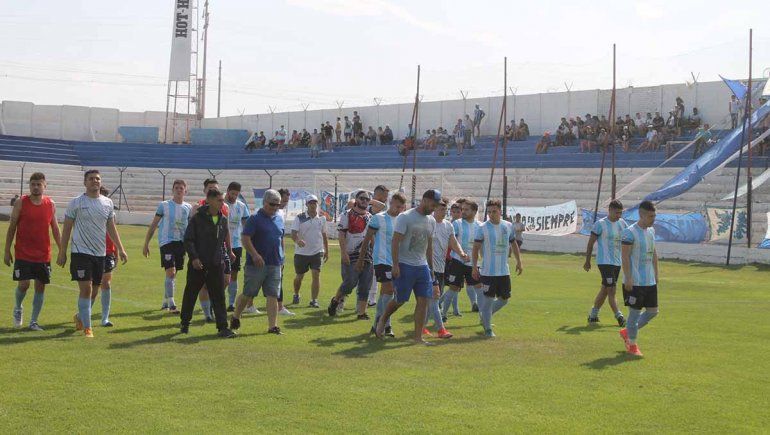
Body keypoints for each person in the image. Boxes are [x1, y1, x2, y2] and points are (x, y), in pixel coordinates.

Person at [57, 170, 127, 338]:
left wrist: (120, 248)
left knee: (95, 291)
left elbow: (111, 228)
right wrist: (62, 252)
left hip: (100, 254)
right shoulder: (76, 203)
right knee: (86, 289)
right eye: (91, 179)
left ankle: (80, 317)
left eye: (97, 179)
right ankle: (88, 328)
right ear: (85, 182)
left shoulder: (107, 203)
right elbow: (67, 228)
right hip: (80, 252)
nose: (95, 181)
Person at [375, 189, 440, 344]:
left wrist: (431, 269)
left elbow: (429, 246)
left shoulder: (431, 221)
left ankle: (418, 338)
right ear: (425, 200)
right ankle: (383, 318)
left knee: (423, 301)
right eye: (433, 205)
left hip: (422, 266)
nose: (434, 209)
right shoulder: (406, 217)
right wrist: (395, 265)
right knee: (400, 300)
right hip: (405, 265)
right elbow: (395, 241)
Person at [4, 172, 61, 331]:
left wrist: (62, 249)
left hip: (43, 254)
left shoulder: (50, 204)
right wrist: (7, 250)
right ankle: (18, 307)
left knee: (40, 287)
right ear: (29, 186)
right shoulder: (20, 203)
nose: (36, 187)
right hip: (23, 252)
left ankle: (33, 321)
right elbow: (12, 227)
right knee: (24, 285)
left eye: (39, 184)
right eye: (33, 184)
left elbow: (55, 229)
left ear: (44, 186)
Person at [179, 189, 236, 338]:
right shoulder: (197, 219)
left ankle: (223, 328)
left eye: (222, 200)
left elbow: (223, 240)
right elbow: (188, 240)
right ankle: (185, 323)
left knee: (219, 296)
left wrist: (228, 253)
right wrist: (194, 258)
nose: (222, 203)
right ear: (209, 200)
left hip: (216, 264)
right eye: (219, 200)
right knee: (191, 294)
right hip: (198, 265)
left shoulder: (223, 219)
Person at [230, 189, 285, 335]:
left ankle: (272, 326)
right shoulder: (254, 219)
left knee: (273, 294)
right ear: (264, 202)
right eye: (272, 204)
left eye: (277, 205)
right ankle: (236, 316)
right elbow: (245, 238)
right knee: (248, 293)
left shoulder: (279, 219)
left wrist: (282, 257)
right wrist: (254, 255)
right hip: (256, 265)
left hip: (275, 263)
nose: (275, 207)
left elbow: (280, 239)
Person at [472, 199, 523, 337]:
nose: (491, 214)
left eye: (494, 211)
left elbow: (513, 244)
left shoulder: (508, 226)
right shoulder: (482, 228)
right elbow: (475, 248)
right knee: (488, 301)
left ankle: (484, 316)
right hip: (488, 272)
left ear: (500, 211)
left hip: (503, 271)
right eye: (489, 212)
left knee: (504, 300)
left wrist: (519, 261)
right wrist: (474, 267)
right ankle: (488, 329)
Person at [143, 179, 192, 314]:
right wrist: (146, 243)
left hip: (181, 243)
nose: (179, 190)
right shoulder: (164, 205)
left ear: (185, 191)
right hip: (166, 242)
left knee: (173, 274)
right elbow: (154, 225)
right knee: (171, 271)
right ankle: (172, 305)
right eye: (176, 188)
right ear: (172, 190)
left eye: (181, 188)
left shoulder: (188, 208)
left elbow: (190, 227)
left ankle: (165, 301)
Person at [362, 192, 407, 336]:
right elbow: (367, 239)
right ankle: (386, 325)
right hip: (381, 260)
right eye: (396, 206)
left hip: (397, 261)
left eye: (401, 207)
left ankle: (377, 323)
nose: (398, 209)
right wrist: (361, 259)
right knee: (389, 290)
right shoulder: (378, 218)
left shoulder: (402, 220)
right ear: (390, 203)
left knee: (387, 293)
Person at [619, 201, 659, 357]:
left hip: (649, 281)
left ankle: (627, 331)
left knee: (653, 312)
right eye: (650, 216)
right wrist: (628, 278)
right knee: (634, 314)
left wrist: (656, 273)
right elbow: (625, 257)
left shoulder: (651, 231)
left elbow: (654, 253)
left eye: (654, 216)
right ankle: (632, 345)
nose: (653, 219)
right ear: (641, 215)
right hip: (635, 281)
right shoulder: (629, 233)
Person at [192, 179, 234, 321]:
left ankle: (211, 302)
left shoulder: (224, 207)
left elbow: (226, 229)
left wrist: (230, 249)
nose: (213, 190)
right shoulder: (198, 207)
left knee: (226, 280)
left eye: (215, 188)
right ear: (205, 191)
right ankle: (208, 314)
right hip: (205, 251)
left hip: (221, 250)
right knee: (204, 283)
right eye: (210, 188)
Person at [327, 190, 373, 319]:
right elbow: (341, 234)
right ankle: (336, 300)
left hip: (367, 255)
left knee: (365, 285)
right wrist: (343, 253)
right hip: (351, 254)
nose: (364, 201)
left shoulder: (370, 216)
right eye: (362, 198)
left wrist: (374, 251)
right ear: (356, 199)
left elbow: (372, 236)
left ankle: (361, 313)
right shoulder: (347, 214)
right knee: (350, 282)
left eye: (367, 199)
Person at [425, 198, 466, 338]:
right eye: (441, 209)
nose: (444, 212)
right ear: (434, 210)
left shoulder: (448, 225)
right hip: (427, 267)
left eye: (445, 209)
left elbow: (453, 242)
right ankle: (441, 330)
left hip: (441, 268)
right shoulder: (428, 223)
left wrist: (461, 253)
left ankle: (422, 326)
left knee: (431, 299)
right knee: (435, 299)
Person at [583, 200, 628, 327]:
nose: (619, 215)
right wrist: (587, 261)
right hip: (604, 262)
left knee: (605, 289)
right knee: (612, 290)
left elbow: (628, 239)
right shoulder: (600, 224)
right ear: (610, 210)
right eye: (617, 212)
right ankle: (619, 316)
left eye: (620, 213)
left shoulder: (622, 223)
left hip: (617, 262)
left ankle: (593, 315)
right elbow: (590, 243)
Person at [441, 200, 483, 318]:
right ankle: (443, 314)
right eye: (462, 209)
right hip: (457, 261)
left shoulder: (480, 226)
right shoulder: (457, 224)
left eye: (466, 210)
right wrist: (461, 254)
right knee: (453, 288)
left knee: (479, 288)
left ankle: (483, 317)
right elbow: (451, 242)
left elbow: (483, 245)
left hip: (473, 263)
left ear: (474, 211)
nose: (463, 212)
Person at [291, 195, 328, 308]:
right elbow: (293, 234)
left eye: (314, 203)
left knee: (316, 275)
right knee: (299, 277)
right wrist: (298, 241)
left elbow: (324, 234)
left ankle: (314, 300)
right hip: (301, 253)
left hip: (317, 252)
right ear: (306, 204)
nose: (313, 205)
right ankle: (296, 293)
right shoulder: (299, 217)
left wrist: (327, 250)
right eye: (310, 203)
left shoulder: (322, 218)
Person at [91, 186, 117, 327]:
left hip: (107, 252)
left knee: (106, 283)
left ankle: (105, 318)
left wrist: (117, 251)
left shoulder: (110, 212)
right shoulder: (90, 210)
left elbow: (114, 232)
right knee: (93, 286)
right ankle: (84, 313)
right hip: (92, 251)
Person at [225, 182, 250, 312]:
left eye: (236, 194)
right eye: (232, 193)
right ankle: (215, 301)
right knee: (222, 274)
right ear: (228, 191)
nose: (234, 196)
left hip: (237, 245)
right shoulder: (222, 204)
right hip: (222, 244)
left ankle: (231, 303)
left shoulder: (241, 206)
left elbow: (246, 223)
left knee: (234, 273)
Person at [366, 184, 390, 306]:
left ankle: (372, 299)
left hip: (378, 244)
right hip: (364, 243)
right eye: (384, 196)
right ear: (378, 195)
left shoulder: (382, 208)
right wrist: (367, 200)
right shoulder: (368, 206)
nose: (386, 199)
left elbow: (383, 206)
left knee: (374, 273)